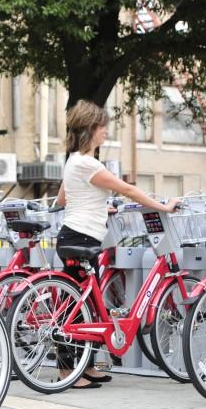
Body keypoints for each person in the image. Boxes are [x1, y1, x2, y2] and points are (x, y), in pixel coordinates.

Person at [54, 100, 179, 389]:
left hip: (71, 235)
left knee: (84, 304)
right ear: (90, 130)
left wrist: (99, 206)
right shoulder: (88, 163)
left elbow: (63, 199)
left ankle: (85, 367)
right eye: (102, 127)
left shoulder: (73, 161)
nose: (105, 132)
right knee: (73, 308)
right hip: (82, 238)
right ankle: (65, 373)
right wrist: (164, 206)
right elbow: (127, 189)